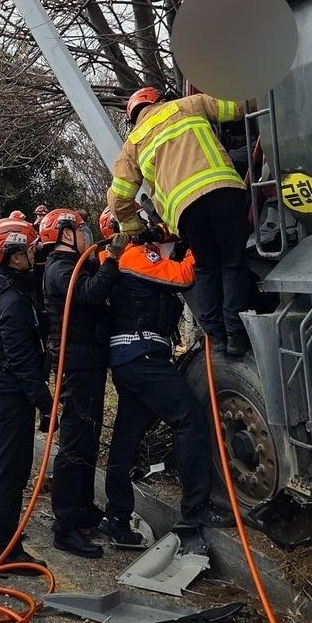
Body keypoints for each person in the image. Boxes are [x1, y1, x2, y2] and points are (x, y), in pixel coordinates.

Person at [97, 210, 230, 547]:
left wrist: (174, 233)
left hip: (132, 358)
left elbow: (169, 250)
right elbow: (184, 275)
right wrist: (204, 239)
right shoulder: (133, 257)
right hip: (142, 357)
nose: (148, 227)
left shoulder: (126, 258)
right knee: (189, 420)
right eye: (140, 223)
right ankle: (195, 509)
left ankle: (116, 517)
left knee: (126, 440)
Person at [107, 87, 252, 356]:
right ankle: (237, 335)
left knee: (207, 268)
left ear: (133, 117)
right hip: (225, 192)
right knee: (233, 264)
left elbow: (119, 199)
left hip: (186, 210)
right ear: (160, 99)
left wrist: (133, 229)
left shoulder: (133, 144)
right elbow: (237, 105)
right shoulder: (189, 104)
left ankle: (217, 338)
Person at [39, 209, 124, 559]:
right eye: (78, 228)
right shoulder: (59, 269)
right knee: (74, 443)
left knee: (88, 438)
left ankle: (85, 509)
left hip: (88, 360)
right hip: (73, 365)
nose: (85, 233)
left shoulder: (76, 263)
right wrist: (113, 259)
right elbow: (89, 293)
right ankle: (65, 526)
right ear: (63, 234)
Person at [0, 217, 52, 567]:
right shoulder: (12, 302)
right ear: (14, 257)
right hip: (8, 393)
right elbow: (22, 362)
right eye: (30, 250)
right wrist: (46, 404)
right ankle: (7, 550)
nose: (36, 254)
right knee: (10, 473)